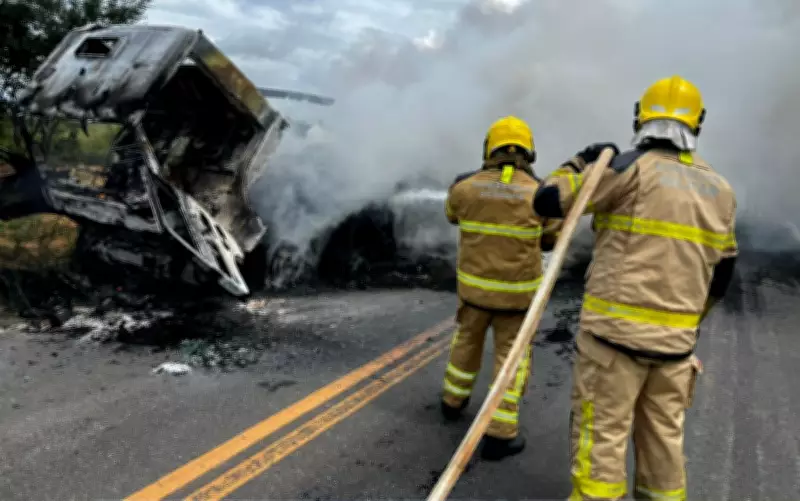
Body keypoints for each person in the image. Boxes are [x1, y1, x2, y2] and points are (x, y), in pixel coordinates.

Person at [532, 75, 738, 500]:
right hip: (675, 350)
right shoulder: (721, 189)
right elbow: (722, 274)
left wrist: (579, 162)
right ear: (697, 124)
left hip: (613, 345)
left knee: (601, 445)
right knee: (664, 446)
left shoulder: (626, 170)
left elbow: (547, 201)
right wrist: (687, 323)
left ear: (639, 117)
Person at [441, 115, 560, 461]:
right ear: (529, 152)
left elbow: (452, 214)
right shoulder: (541, 194)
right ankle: (500, 434)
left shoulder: (464, 188)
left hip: (474, 295)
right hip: (517, 299)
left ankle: (452, 402)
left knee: (465, 344)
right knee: (511, 360)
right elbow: (551, 240)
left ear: (488, 148)